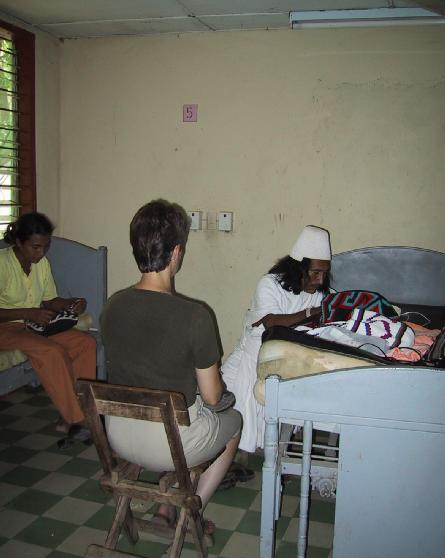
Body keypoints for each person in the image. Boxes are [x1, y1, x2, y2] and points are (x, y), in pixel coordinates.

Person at [101, 199, 241, 534]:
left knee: (186, 427)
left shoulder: (112, 306)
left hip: (118, 434)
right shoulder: (195, 316)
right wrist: (224, 398)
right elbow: (211, 396)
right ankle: (192, 514)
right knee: (232, 423)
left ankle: (167, 506)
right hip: (170, 444)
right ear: (176, 253)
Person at [221, 225, 331, 453]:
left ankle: (273, 455)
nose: (320, 280)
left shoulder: (320, 294)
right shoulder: (269, 284)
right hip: (255, 352)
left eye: (324, 273)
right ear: (299, 267)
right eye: (315, 272)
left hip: (289, 356)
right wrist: (311, 313)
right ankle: (232, 458)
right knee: (235, 405)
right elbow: (271, 322)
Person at [0, 212, 96, 442]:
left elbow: (50, 300)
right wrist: (28, 313)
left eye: (45, 246)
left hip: (33, 326)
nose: (41, 252)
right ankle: (77, 420)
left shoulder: (41, 264)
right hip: (6, 328)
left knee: (85, 343)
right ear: (19, 242)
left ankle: (78, 411)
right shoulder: (2, 264)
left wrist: (72, 304)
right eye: (35, 247)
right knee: (52, 351)